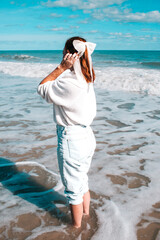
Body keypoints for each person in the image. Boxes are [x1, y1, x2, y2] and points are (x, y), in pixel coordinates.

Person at [37, 36, 96, 228]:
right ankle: (86, 216)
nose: (61, 54)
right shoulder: (87, 77)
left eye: (64, 51)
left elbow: (42, 88)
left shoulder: (70, 82)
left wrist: (60, 68)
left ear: (70, 55)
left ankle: (77, 230)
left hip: (72, 139)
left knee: (73, 190)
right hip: (87, 136)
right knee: (82, 181)